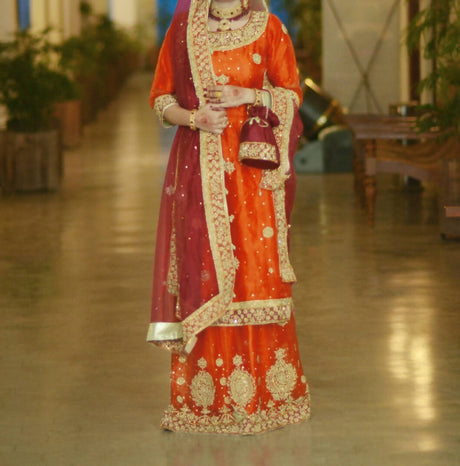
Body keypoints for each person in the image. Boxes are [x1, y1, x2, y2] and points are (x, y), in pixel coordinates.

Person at [147, 0, 311, 434]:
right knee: (205, 268)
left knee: (256, 274)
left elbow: (292, 93)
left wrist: (249, 95)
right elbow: (160, 98)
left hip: (253, 174)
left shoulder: (269, 27)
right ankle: (208, 398)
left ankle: (268, 396)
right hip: (200, 170)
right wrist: (194, 117)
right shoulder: (184, 30)